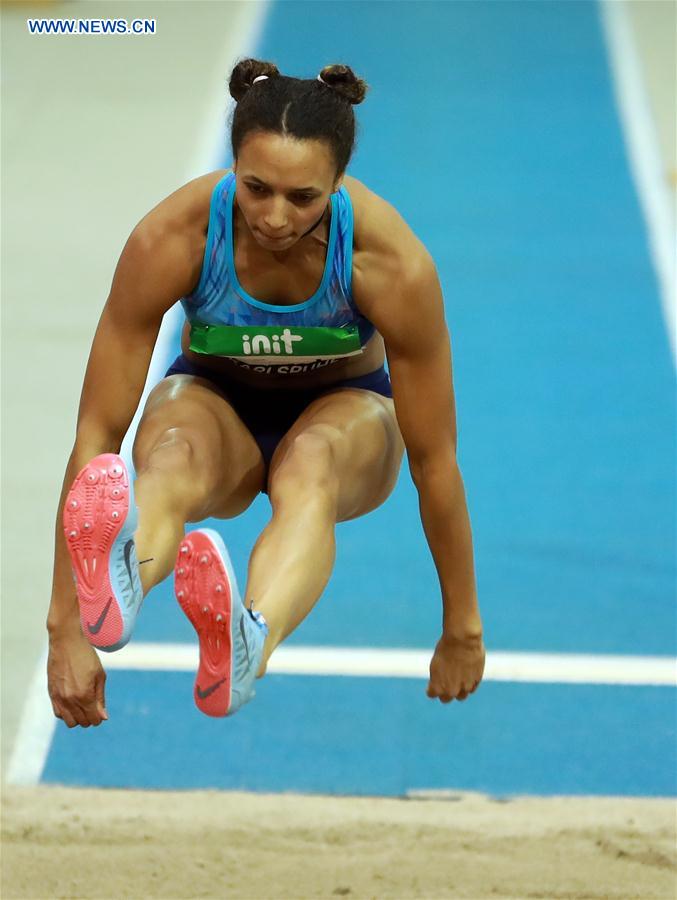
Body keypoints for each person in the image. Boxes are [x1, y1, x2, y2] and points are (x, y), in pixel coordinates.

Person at [47, 59, 485, 728]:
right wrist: (66, 630)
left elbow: (434, 460)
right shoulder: (173, 237)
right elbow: (97, 438)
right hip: (213, 404)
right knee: (166, 458)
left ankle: (251, 639)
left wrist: (462, 626)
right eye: (255, 188)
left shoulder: (389, 262)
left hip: (346, 413)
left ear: (338, 184)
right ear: (232, 167)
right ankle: (121, 580)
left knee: (310, 465)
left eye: (302, 198)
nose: (274, 217)